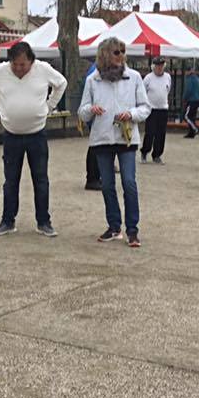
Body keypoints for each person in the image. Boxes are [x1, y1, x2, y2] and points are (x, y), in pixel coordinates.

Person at [0, 41, 68, 237]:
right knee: (10, 181)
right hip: (11, 135)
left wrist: (49, 106)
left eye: (23, 65)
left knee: (41, 180)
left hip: (37, 134)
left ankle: (43, 222)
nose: (19, 68)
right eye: (15, 64)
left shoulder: (43, 69)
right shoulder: (1, 71)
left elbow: (61, 83)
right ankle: (7, 221)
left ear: (31, 62)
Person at [78, 37, 151, 247]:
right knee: (108, 185)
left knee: (129, 182)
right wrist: (91, 109)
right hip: (102, 138)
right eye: (116, 52)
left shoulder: (134, 77)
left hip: (126, 138)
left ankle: (132, 230)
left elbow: (145, 107)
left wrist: (131, 114)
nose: (121, 56)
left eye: (122, 51)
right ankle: (114, 227)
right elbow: (82, 111)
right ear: (105, 54)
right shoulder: (93, 80)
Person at [140, 57, 172, 164]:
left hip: (163, 109)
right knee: (150, 133)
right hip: (151, 109)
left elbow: (168, 90)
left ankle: (157, 155)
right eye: (157, 65)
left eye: (161, 65)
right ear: (153, 66)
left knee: (161, 134)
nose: (159, 68)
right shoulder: (148, 78)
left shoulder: (168, 77)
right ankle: (144, 152)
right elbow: (143, 92)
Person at [82, 60, 101, 190]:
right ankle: (92, 178)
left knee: (97, 146)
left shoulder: (96, 68)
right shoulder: (95, 71)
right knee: (96, 146)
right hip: (95, 113)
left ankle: (95, 176)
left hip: (95, 112)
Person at [182, 68, 199, 138]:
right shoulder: (197, 78)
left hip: (192, 100)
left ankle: (194, 129)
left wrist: (184, 98)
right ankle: (191, 133)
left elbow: (188, 90)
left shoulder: (190, 79)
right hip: (197, 99)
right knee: (192, 116)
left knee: (186, 116)